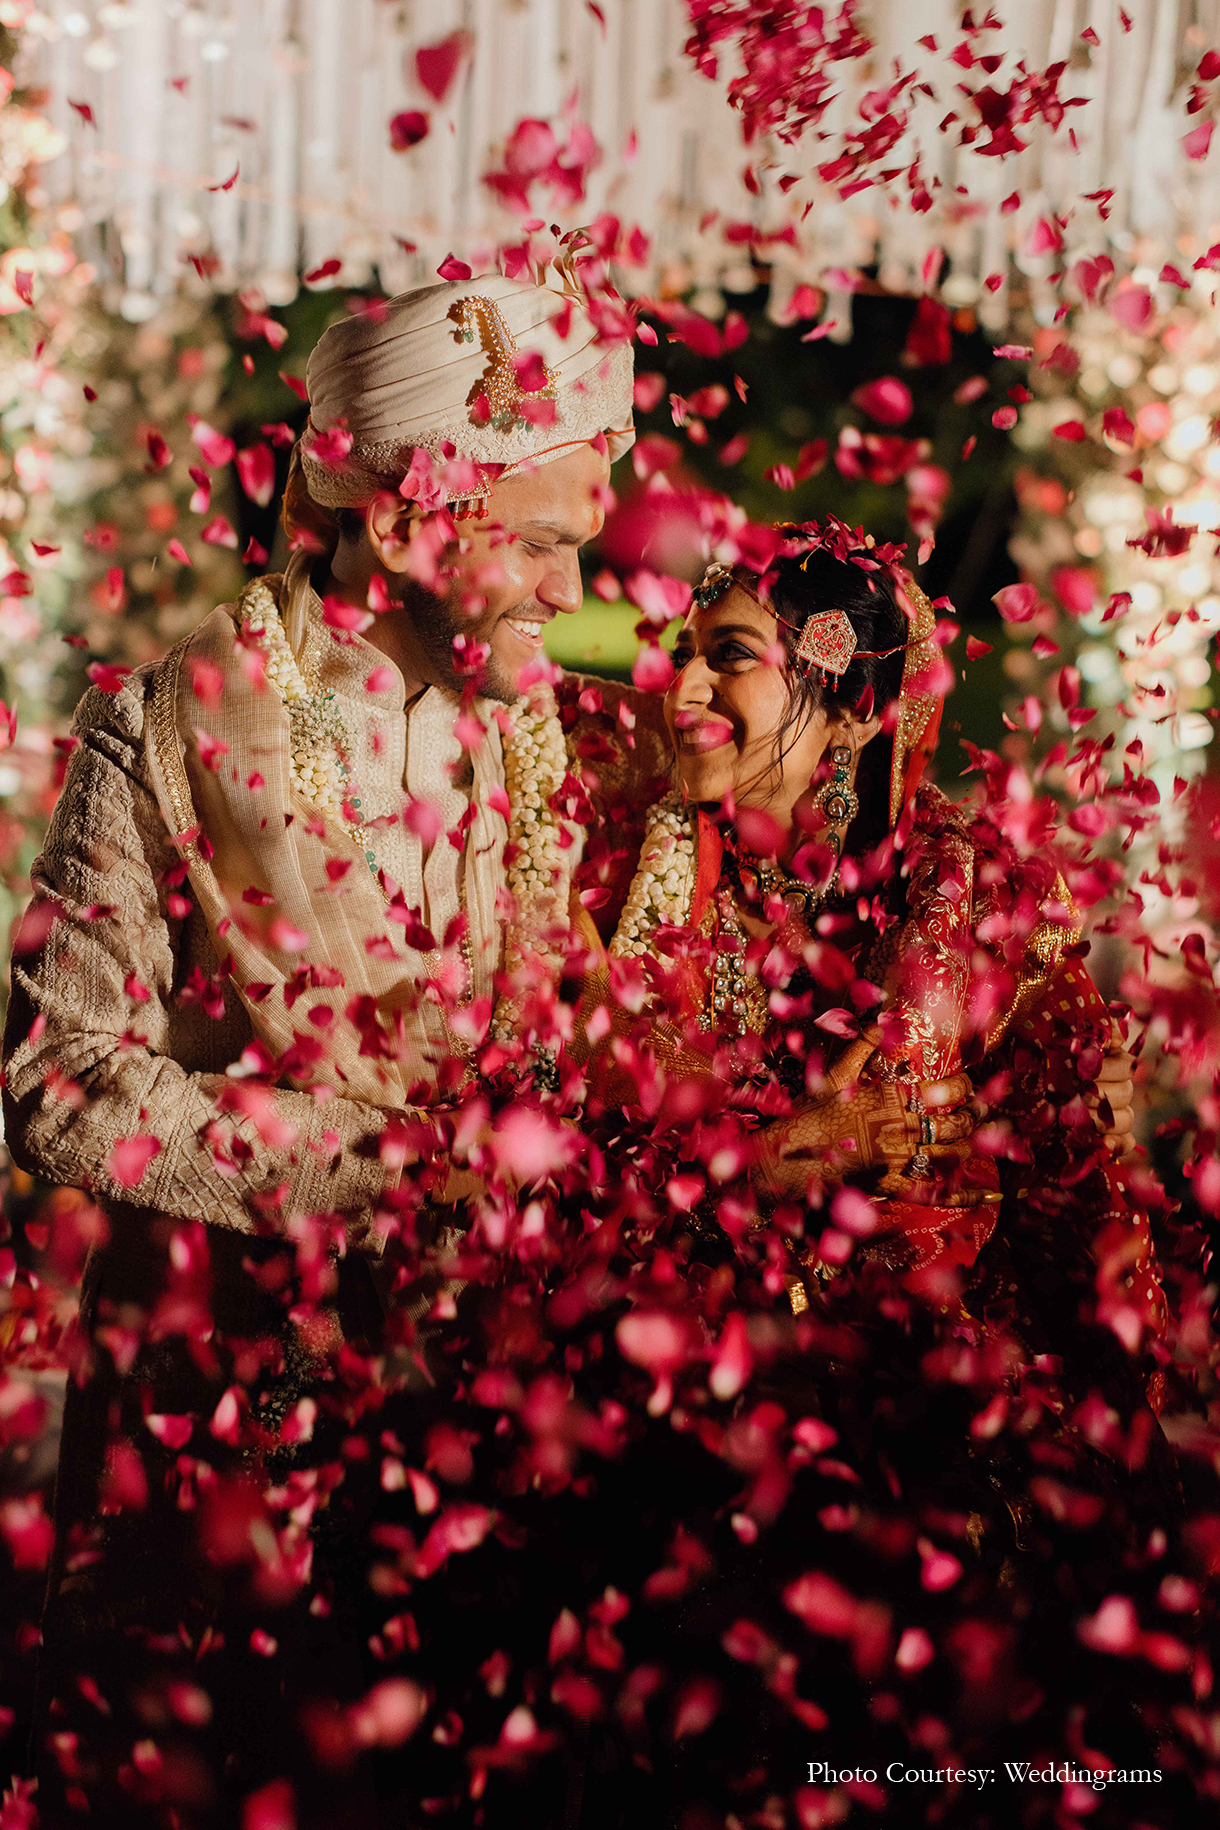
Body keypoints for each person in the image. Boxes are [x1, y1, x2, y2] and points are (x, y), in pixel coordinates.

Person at [351, 524, 1197, 1830]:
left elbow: (1089, 1236)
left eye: (727, 658)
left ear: (856, 703)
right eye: (685, 652)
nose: (680, 686)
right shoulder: (629, 852)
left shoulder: (988, 928)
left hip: (901, 1486)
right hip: (630, 1430)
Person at [0, 272, 670, 1828]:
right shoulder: (169, 723)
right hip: (228, 1379)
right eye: (552, 541)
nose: (584, 581)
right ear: (401, 526)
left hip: (470, 1387)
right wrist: (359, 1169)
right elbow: (55, 1077)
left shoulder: (529, 728)